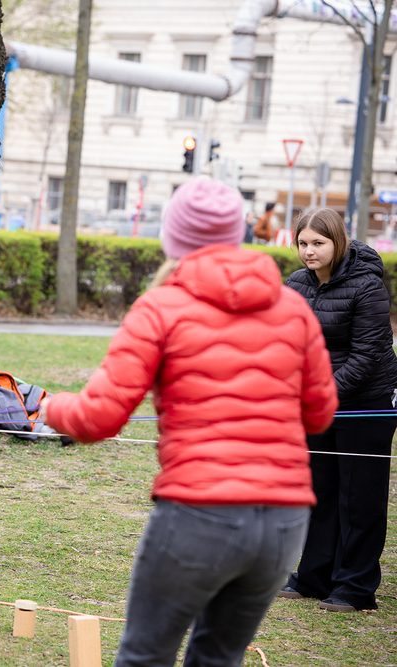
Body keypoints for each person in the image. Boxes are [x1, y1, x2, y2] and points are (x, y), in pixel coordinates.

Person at [42, 177, 337, 667]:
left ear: (173, 237)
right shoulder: (292, 308)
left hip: (200, 512)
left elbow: (98, 418)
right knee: (218, 659)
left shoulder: (161, 306)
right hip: (283, 522)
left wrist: (49, 407)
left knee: (145, 656)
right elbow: (320, 412)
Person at [281, 208, 397, 612]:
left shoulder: (367, 284)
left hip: (366, 405)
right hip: (318, 402)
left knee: (359, 499)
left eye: (318, 243)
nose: (309, 251)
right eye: (302, 243)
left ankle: (355, 587)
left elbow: (367, 356)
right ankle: (313, 577)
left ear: (338, 241)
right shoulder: (296, 284)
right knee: (320, 491)